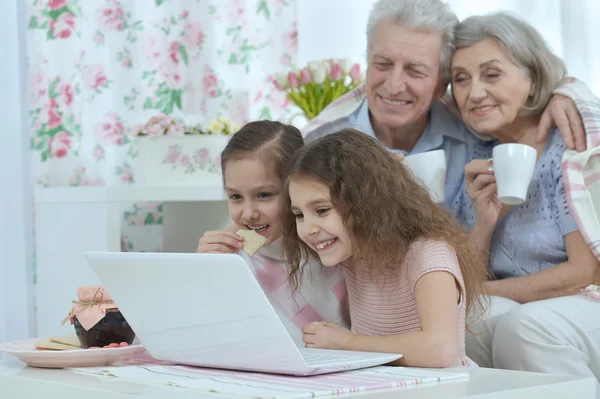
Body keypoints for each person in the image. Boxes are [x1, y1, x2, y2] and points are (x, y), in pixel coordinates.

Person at [302, 0, 595, 218]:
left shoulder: (477, 131)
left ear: (444, 84)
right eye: (382, 64)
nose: (393, 86)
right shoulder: (317, 144)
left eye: (415, 71)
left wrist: (567, 92)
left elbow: (526, 93)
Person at [450, 12, 600, 388]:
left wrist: (486, 291)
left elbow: (584, 272)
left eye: (492, 74)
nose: (475, 92)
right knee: (462, 322)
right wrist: (484, 222)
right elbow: (467, 281)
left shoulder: (567, 148)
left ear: (532, 82)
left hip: (587, 301)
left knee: (524, 326)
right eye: (461, 80)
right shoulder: (480, 163)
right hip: (535, 311)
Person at [282, 129, 488, 367]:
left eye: (321, 211)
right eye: (299, 214)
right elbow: (266, 228)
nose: (308, 229)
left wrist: (347, 343)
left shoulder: (428, 254)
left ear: (367, 202)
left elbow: (438, 349)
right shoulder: (355, 255)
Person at [196, 120, 349, 346]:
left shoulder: (332, 247)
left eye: (264, 195)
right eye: (235, 197)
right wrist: (200, 273)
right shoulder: (230, 256)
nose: (248, 214)